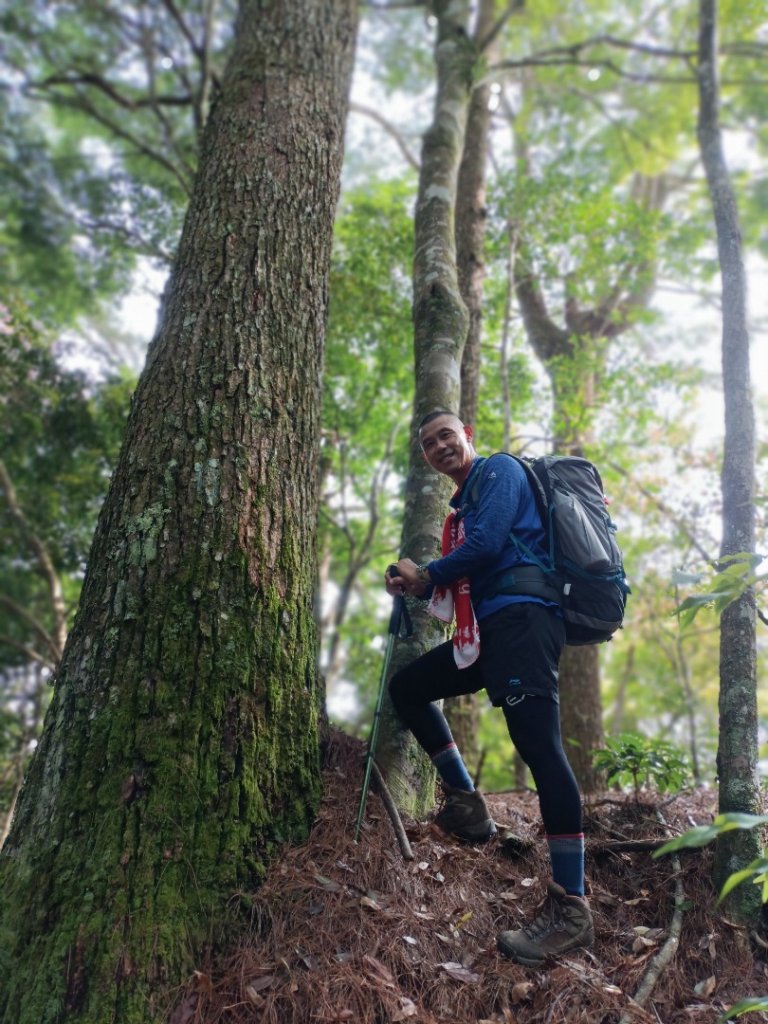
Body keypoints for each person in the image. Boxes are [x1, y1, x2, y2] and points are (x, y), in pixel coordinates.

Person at [385, 410, 594, 965]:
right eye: (429, 444)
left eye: (446, 435)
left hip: (523, 622)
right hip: (491, 633)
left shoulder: (499, 472)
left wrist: (423, 573)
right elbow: (474, 556)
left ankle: (572, 907)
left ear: (468, 436)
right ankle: (468, 805)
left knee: (540, 750)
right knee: (408, 688)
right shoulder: (466, 502)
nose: (439, 447)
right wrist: (420, 582)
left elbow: (486, 547)